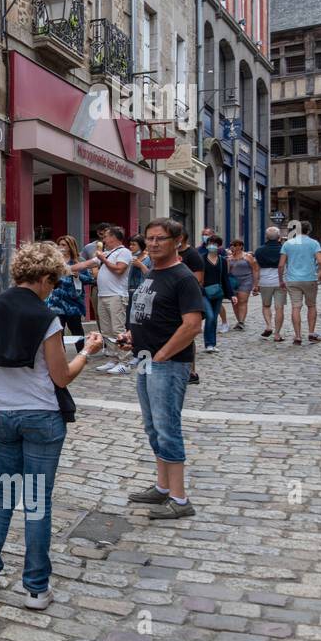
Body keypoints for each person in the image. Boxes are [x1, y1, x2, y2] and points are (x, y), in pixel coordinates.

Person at [0, 243, 105, 611]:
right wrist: (87, 353)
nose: (53, 289)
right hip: (41, 415)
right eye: (52, 283)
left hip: (0, 414)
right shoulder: (47, 317)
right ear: (43, 278)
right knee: (37, 503)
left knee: (1, 496)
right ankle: (35, 588)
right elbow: (61, 377)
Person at [122, 218, 205, 520]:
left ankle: (180, 500)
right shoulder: (152, 273)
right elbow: (151, 315)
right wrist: (131, 336)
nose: (154, 244)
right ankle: (162, 487)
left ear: (177, 241)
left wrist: (162, 355)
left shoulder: (183, 278)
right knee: (152, 426)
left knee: (167, 428)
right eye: (150, 238)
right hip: (145, 358)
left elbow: (192, 325)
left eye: (161, 239)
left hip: (167, 364)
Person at [92, 225, 133, 374]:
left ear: (115, 237)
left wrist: (103, 259)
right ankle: (113, 358)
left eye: (106, 236)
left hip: (116, 295)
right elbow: (88, 264)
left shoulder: (124, 252)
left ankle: (125, 361)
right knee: (106, 330)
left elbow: (119, 269)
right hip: (103, 295)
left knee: (118, 329)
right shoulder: (107, 253)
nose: (104, 239)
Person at [280, 221, 321, 346]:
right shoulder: (314, 243)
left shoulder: (288, 243)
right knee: (311, 306)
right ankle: (311, 333)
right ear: (309, 230)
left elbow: (281, 264)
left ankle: (298, 336)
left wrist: (281, 279)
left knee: (296, 307)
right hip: (309, 279)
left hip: (293, 279)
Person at [46, 235, 97, 348]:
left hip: (73, 302)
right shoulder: (54, 261)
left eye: (63, 245)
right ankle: (61, 356)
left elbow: (90, 279)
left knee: (76, 329)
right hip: (56, 301)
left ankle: (82, 353)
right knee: (58, 331)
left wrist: (78, 275)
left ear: (70, 246)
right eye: (59, 244)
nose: (60, 247)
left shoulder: (78, 261)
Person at [178, 229, 206, 384]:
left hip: (187, 301)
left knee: (187, 337)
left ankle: (191, 371)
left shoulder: (192, 255)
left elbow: (198, 280)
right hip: (172, 302)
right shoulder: (171, 253)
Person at [200, 235, 235, 353]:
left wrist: (231, 295)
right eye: (210, 243)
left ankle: (212, 344)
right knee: (209, 316)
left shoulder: (222, 261)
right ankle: (208, 344)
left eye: (214, 244)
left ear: (219, 246)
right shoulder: (201, 259)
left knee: (214, 318)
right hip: (203, 292)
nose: (212, 246)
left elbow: (225, 278)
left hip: (217, 293)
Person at [253, 226, 286, 340]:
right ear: (278, 237)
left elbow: (256, 269)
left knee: (266, 306)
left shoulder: (259, 250)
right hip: (280, 281)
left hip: (265, 281)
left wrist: (256, 284)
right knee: (279, 307)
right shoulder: (283, 249)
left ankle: (269, 325)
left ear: (266, 237)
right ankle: (277, 334)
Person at [226, 239, 257, 331]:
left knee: (243, 301)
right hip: (234, 281)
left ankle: (241, 322)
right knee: (235, 302)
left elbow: (254, 269)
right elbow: (227, 272)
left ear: (240, 246)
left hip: (246, 280)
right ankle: (239, 320)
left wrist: (256, 284)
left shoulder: (248, 257)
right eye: (231, 245)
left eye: (235, 245)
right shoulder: (229, 258)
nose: (233, 247)